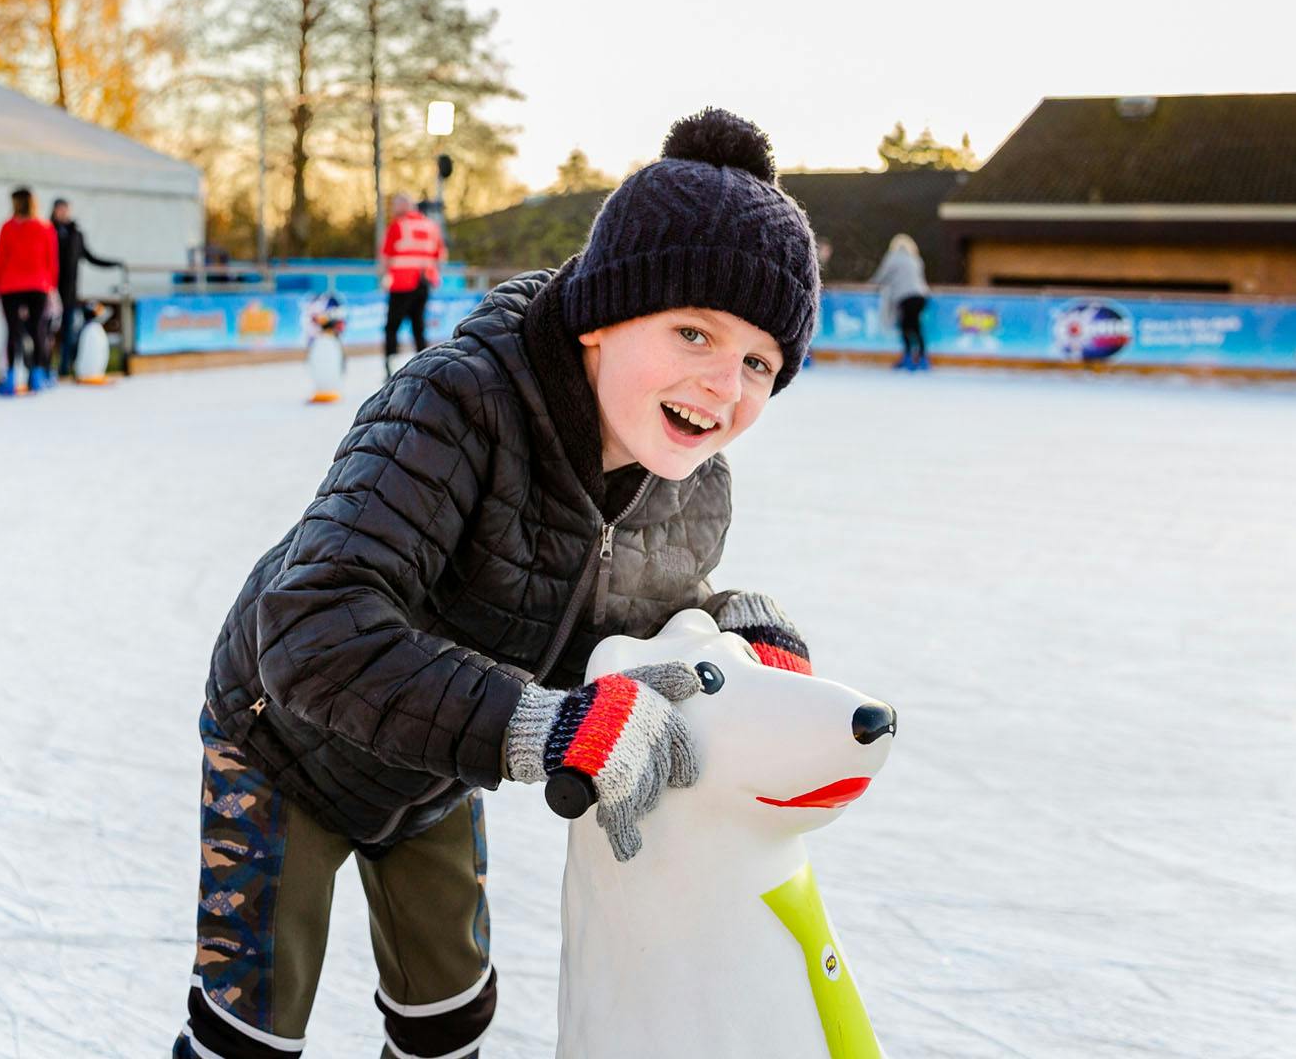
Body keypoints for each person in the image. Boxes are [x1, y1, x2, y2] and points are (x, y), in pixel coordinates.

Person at [174, 108, 822, 1059]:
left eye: (760, 362)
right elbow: (311, 625)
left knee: (450, 1018)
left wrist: (734, 627)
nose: (726, 386)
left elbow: (635, 602)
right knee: (250, 1034)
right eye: (695, 333)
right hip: (283, 742)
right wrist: (539, 725)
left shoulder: (690, 487)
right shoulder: (455, 402)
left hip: (434, 760)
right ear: (602, 314)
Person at [0, 187, 58, 394]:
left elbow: (0, 258)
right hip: (38, 285)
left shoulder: (8, 227)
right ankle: (36, 376)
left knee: (12, 331)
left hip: (10, 285)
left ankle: (10, 377)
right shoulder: (45, 227)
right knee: (38, 330)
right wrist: (51, 286)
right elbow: (51, 261)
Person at [50, 198, 120, 379]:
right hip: (50, 291)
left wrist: (113, 264)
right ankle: (43, 367)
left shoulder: (76, 234)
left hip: (70, 293)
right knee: (48, 332)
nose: (63, 213)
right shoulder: (48, 232)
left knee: (69, 331)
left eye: (65, 209)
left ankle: (65, 367)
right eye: (60, 209)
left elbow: (90, 257)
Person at [378, 191, 446, 379]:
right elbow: (440, 255)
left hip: (401, 283)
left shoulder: (398, 226)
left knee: (392, 327)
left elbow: (385, 256)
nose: (392, 208)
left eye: (395, 204)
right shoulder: (431, 226)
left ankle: (390, 368)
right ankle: (423, 368)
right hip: (423, 283)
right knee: (419, 327)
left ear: (404, 206)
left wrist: (385, 277)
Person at [870, 233, 931, 370]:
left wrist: (872, 284)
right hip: (921, 296)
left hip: (906, 297)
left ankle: (909, 358)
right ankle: (922, 358)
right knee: (916, 327)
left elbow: (882, 275)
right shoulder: (915, 259)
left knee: (906, 328)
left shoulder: (893, 258)